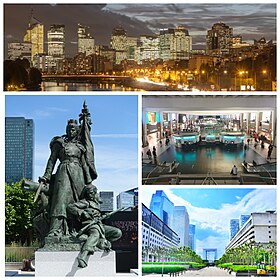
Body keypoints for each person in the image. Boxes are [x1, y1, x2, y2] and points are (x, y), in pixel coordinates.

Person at [40, 105, 98, 237]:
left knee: (76, 201)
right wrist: (46, 176)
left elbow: (84, 164)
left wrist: (88, 182)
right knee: (60, 199)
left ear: (78, 130)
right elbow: (52, 160)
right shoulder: (59, 143)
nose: (71, 131)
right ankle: (55, 229)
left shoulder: (80, 146)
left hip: (78, 174)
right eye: (69, 128)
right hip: (64, 172)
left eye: (73, 129)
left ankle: (75, 229)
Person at [67, 184, 122, 268]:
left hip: (100, 225)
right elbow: (70, 207)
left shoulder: (96, 203)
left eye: (94, 193)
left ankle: (99, 242)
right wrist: (82, 212)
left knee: (117, 232)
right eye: (90, 193)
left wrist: (105, 216)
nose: (92, 195)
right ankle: (83, 256)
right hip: (89, 225)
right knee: (95, 234)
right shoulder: (85, 202)